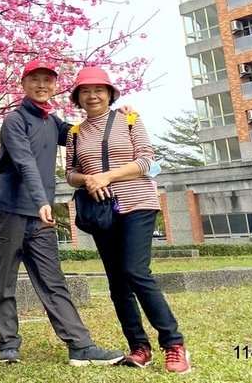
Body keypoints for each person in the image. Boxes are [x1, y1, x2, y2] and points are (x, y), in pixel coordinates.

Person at [0, 60, 124, 366]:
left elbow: (82, 132)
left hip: (41, 215)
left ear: (54, 87)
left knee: (54, 281)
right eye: (35, 80)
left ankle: (80, 345)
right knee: (5, 280)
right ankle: (8, 344)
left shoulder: (53, 122)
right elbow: (25, 163)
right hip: (11, 211)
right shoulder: (15, 120)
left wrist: (118, 118)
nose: (41, 85)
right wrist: (41, 200)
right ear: (24, 84)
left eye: (47, 81)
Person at [66, 66, 191, 374]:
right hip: (102, 210)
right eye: (85, 90)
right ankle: (139, 347)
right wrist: (88, 180)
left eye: (99, 89)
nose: (92, 95)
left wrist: (106, 175)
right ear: (78, 97)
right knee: (117, 282)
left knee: (136, 271)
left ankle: (174, 344)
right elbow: (70, 174)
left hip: (138, 203)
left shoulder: (130, 118)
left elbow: (146, 160)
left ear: (110, 93)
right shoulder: (74, 132)